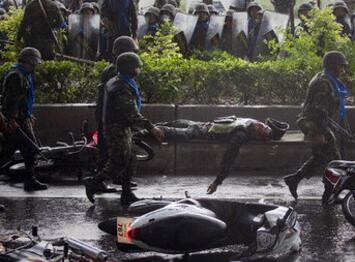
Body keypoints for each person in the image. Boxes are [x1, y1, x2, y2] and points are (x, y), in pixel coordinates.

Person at [86, 52, 164, 206]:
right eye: (136, 67)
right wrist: (151, 127)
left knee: (130, 160)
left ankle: (127, 193)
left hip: (123, 127)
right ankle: (93, 183)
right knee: (118, 161)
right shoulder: (121, 87)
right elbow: (131, 113)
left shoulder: (122, 81)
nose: (138, 70)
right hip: (117, 128)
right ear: (128, 68)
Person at [137, 116, 289, 194]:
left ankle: (140, 132)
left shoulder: (241, 135)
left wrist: (218, 181)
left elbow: (229, 158)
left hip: (199, 129)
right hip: (199, 126)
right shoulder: (248, 125)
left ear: (260, 137)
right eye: (263, 125)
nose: (261, 126)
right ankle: (139, 131)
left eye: (264, 130)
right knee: (167, 127)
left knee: (169, 129)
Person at [284, 51, 348, 199]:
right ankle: (328, 193)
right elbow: (319, 109)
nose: (342, 70)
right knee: (332, 160)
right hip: (314, 123)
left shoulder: (326, 79)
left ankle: (294, 180)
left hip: (317, 122)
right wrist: (319, 133)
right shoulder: (323, 83)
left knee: (322, 157)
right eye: (340, 67)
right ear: (333, 66)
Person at [95, 36, 140, 192]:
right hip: (112, 117)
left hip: (109, 114)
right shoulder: (116, 70)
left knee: (120, 152)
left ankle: (119, 180)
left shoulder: (112, 68)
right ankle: (98, 182)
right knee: (108, 149)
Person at [0, 47, 48, 191]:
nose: (35, 67)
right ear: (28, 61)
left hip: (22, 119)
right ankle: (30, 180)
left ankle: (30, 179)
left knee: (30, 150)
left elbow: (24, 99)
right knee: (6, 153)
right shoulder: (16, 76)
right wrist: (12, 119)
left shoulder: (24, 74)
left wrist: (28, 114)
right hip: (16, 121)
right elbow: (11, 100)